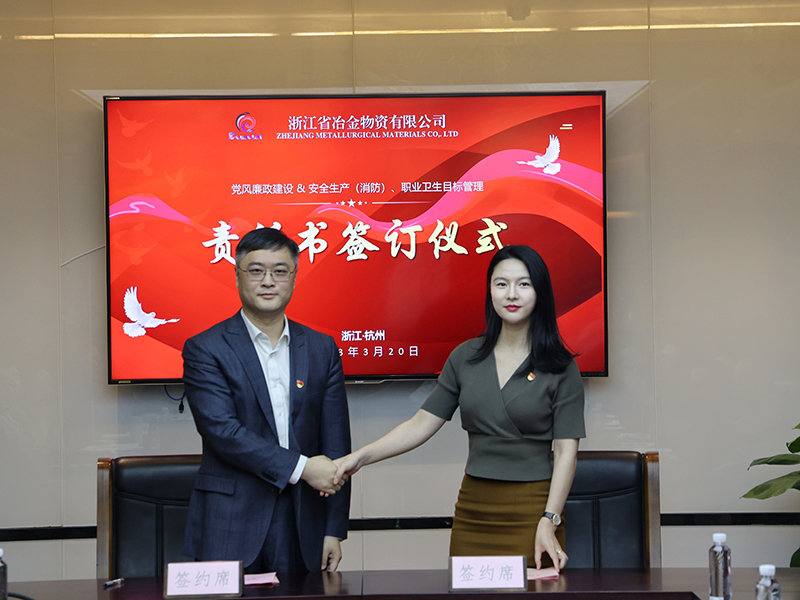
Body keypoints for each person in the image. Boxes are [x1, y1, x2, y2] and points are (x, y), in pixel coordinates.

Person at [333, 245, 585, 571]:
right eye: (501, 283)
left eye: (524, 284)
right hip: (474, 510)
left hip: (535, 513)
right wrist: (359, 457)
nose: (512, 294)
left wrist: (550, 518)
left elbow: (566, 453)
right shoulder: (466, 357)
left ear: (540, 292)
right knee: (468, 592)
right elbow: (420, 424)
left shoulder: (561, 367)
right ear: (490, 291)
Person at [182, 227, 351, 573]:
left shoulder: (321, 349)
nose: (268, 282)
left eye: (280, 271)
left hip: (303, 520)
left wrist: (333, 529)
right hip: (230, 521)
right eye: (256, 271)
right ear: (238, 276)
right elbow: (222, 432)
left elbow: (336, 443)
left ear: (294, 277)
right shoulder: (205, 348)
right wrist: (302, 468)